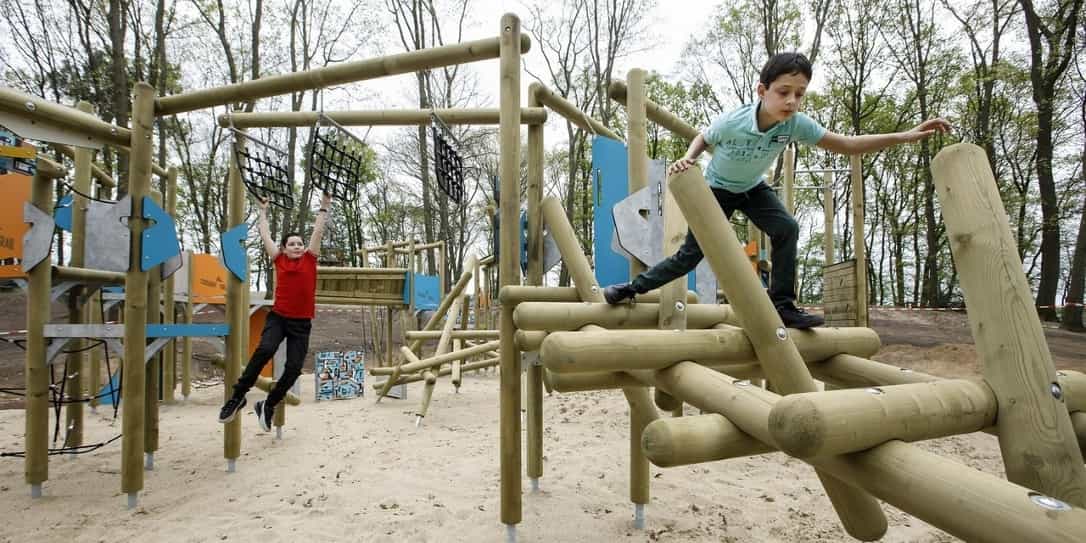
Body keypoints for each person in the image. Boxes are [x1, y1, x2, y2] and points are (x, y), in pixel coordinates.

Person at [602, 52, 951, 329]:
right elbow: (703, 138)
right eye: (783, 92)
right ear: (762, 90)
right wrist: (689, 158)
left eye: (799, 94)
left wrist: (905, 134)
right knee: (691, 256)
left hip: (753, 188)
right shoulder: (735, 121)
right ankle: (632, 289)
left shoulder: (797, 124)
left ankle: (783, 304)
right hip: (718, 189)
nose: (791, 101)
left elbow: (847, 144)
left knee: (787, 228)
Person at [218, 192, 332, 431]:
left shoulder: (310, 259)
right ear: (284, 248)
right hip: (279, 318)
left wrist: (323, 207)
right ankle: (237, 397)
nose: (297, 246)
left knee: (293, 369)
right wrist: (262, 211)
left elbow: (318, 232)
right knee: (265, 349)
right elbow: (264, 234)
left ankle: (268, 405)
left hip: (301, 323)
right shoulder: (279, 259)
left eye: (300, 243)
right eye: (292, 244)